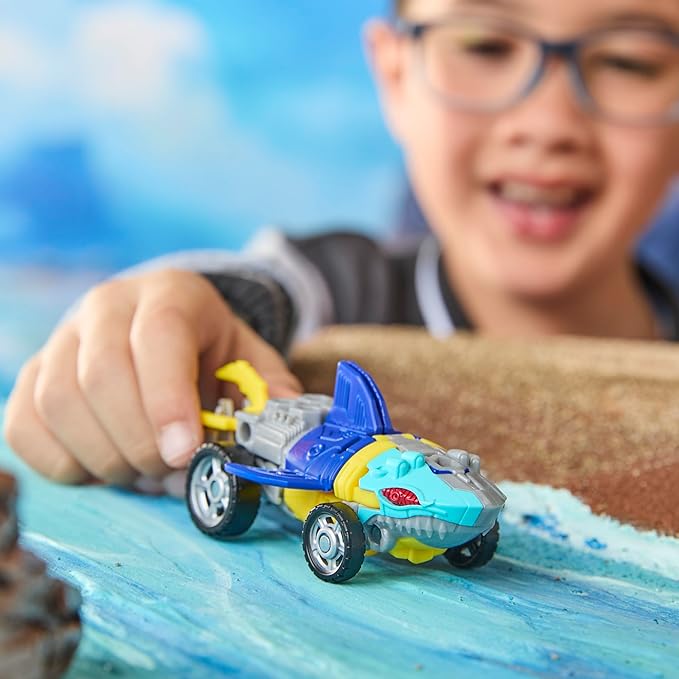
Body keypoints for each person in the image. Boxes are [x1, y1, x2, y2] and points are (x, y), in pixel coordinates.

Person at [5, 0, 679, 487]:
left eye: (631, 61)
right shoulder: (335, 290)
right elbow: (247, 297)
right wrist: (160, 319)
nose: (549, 123)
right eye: (483, 46)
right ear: (394, 76)